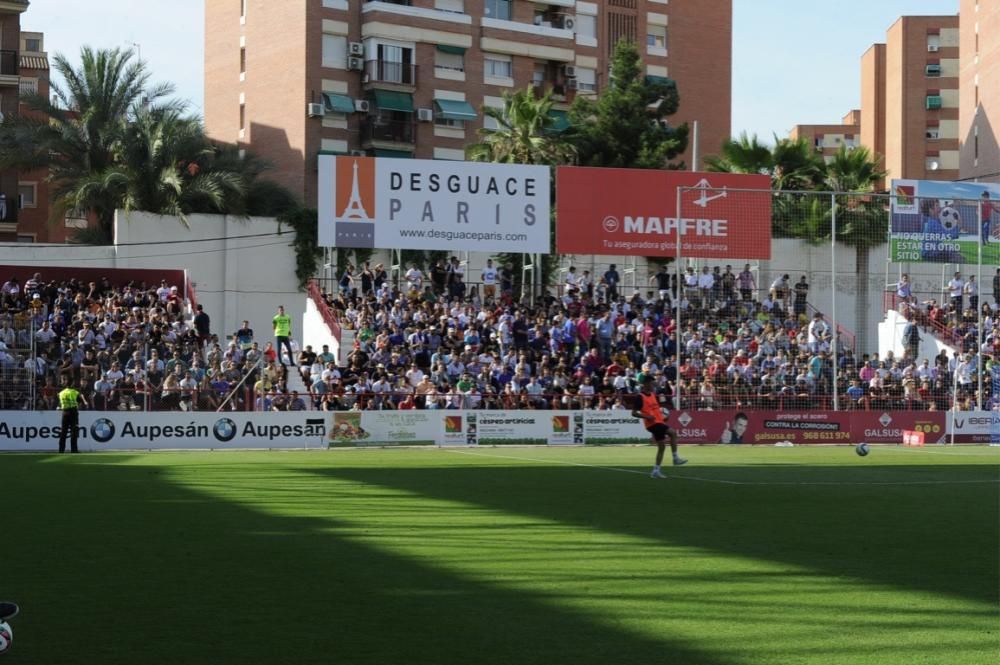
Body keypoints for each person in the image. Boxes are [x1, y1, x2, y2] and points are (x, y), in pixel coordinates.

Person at [631, 374, 686, 478]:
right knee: (673, 433)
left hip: (659, 422)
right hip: (652, 424)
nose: (653, 384)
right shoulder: (640, 397)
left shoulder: (652, 395)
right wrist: (647, 416)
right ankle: (675, 458)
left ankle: (656, 471)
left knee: (662, 447)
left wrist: (663, 417)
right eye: (651, 383)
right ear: (646, 384)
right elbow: (633, 413)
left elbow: (656, 410)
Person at [58, 379, 88, 453]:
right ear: (72, 384)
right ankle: (74, 450)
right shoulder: (74, 392)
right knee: (74, 431)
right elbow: (80, 401)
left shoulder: (61, 393)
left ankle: (61, 450)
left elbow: (59, 403)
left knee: (63, 432)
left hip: (64, 412)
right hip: (73, 412)